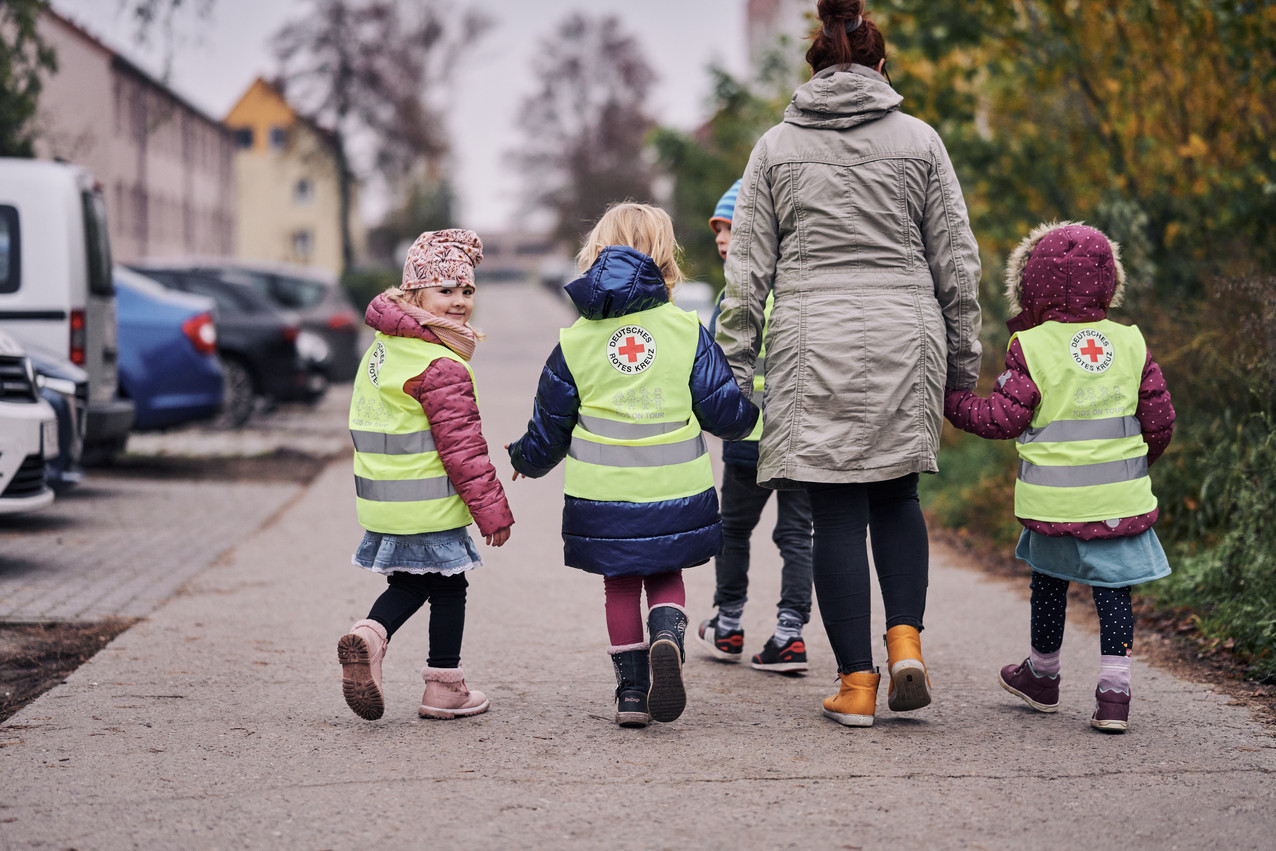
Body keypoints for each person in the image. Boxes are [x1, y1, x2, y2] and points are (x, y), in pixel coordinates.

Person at [715, 0, 984, 727]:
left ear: (813, 68)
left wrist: (736, 371)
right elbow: (956, 259)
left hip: (811, 339)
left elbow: (746, 274)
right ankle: (905, 644)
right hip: (907, 334)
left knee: (833, 509)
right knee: (897, 496)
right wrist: (964, 363)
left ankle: (857, 685)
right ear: (879, 63)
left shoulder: (774, 147)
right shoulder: (921, 139)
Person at [507, 203, 758, 727]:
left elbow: (551, 423)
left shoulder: (575, 341)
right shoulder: (685, 330)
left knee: (619, 585)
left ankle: (631, 694)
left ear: (593, 254)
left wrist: (525, 461)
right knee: (666, 571)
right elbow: (723, 411)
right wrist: (763, 421)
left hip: (603, 497)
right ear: (666, 259)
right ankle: (667, 635)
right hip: (677, 489)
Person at [945, 222, 1175, 733]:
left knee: (1048, 582)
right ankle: (1114, 695)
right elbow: (1159, 422)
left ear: (1031, 285)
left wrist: (953, 402)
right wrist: (1135, 469)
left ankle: (1043, 675)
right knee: (1114, 590)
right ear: (1109, 281)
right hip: (1120, 497)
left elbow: (1004, 417)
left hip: (1052, 501)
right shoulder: (1131, 344)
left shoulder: (1033, 345)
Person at [337, 229, 514, 722]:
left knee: (413, 583)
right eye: (445, 290)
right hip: (429, 499)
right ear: (414, 294)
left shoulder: (382, 350)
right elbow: (462, 448)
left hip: (384, 498)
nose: (459, 301)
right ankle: (431, 680)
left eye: (467, 290)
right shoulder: (439, 362)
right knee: (449, 585)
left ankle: (375, 643)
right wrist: (491, 509)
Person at [696, 179, 815, 674]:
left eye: (733, 228)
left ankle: (728, 625)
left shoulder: (738, 294)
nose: (723, 239)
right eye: (718, 230)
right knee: (796, 534)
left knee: (733, 530)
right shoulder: (801, 289)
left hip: (748, 438)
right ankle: (790, 634)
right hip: (804, 438)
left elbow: (714, 366)